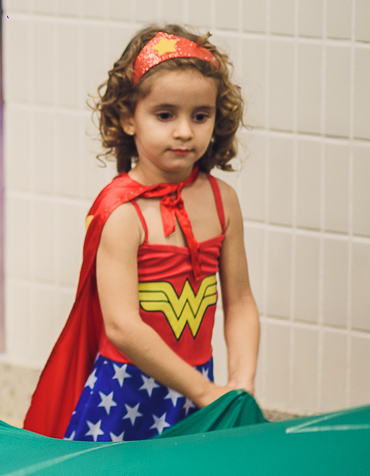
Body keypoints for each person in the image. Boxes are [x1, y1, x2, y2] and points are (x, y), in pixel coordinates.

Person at [24, 25, 259, 441]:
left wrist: (240, 384)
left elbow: (239, 302)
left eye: (200, 115)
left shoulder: (224, 201)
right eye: (165, 115)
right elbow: (121, 327)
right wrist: (205, 390)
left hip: (198, 391)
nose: (184, 131)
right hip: (126, 396)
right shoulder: (122, 213)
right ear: (127, 118)